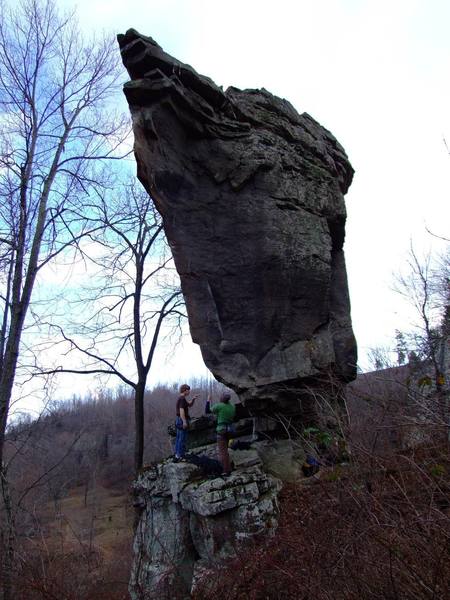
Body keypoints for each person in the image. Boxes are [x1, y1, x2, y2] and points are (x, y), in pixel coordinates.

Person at [206, 391, 236, 475]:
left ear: (222, 398)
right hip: (230, 431)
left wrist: (208, 400)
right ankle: (229, 467)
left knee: (222, 451)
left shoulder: (219, 406)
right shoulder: (232, 406)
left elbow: (207, 411)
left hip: (221, 430)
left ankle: (225, 471)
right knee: (226, 450)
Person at [174, 384, 198, 462]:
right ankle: (180, 455)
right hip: (181, 419)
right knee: (182, 438)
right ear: (185, 390)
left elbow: (189, 405)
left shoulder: (183, 399)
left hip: (179, 419)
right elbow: (181, 411)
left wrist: (193, 399)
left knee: (179, 437)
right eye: (188, 390)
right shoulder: (181, 399)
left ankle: (177, 454)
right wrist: (184, 421)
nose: (189, 391)